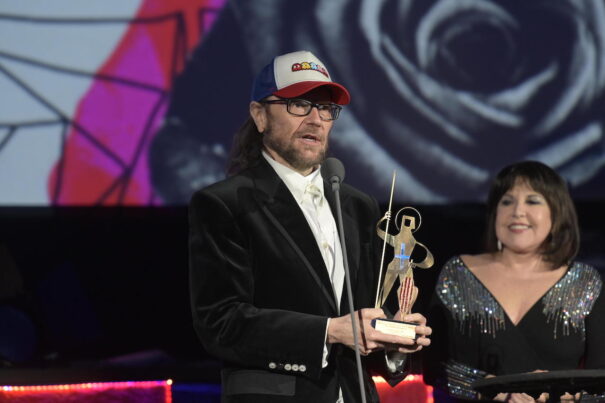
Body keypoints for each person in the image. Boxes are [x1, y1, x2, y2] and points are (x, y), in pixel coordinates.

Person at [188, 50, 432, 402]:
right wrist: (329, 331)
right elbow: (221, 323)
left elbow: (360, 317)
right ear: (259, 115)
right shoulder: (226, 203)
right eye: (299, 104)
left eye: (325, 109)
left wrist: (396, 340)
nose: (315, 119)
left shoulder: (356, 205)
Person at [424, 161, 605, 402]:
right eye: (507, 201)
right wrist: (491, 388)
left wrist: (565, 392)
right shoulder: (458, 273)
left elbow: (600, 383)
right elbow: (433, 367)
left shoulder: (584, 281)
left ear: (556, 212)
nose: (517, 211)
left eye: (533, 201)